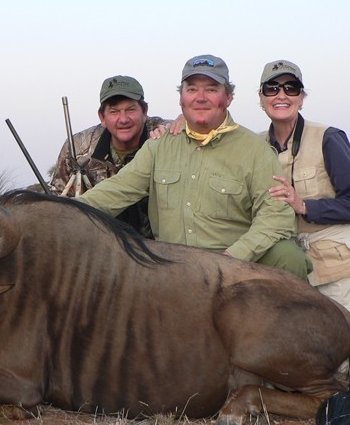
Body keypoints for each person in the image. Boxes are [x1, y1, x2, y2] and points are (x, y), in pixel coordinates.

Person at [76, 54, 310, 279]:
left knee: (288, 255)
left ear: (228, 97)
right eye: (191, 89)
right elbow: (115, 191)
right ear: (181, 99)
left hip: (234, 266)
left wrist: (233, 256)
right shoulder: (158, 146)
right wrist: (60, 211)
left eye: (211, 89)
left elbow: (276, 216)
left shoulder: (256, 150)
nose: (200, 97)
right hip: (173, 267)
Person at [259, 59, 350, 349]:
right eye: (272, 88)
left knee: (343, 348)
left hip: (338, 260)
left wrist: (304, 207)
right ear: (261, 98)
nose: (281, 95)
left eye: (291, 88)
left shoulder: (327, 137)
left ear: (302, 97)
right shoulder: (255, 145)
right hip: (288, 262)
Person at [50, 75, 171, 238]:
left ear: (144, 112)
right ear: (102, 117)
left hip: (158, 247)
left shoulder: (167, 136)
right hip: (98, 246)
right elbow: (59, 201)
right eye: (114, 111)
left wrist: (180, 123)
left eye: (131, 109)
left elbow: (194, 124)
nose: (123, 119)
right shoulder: (78, 148)